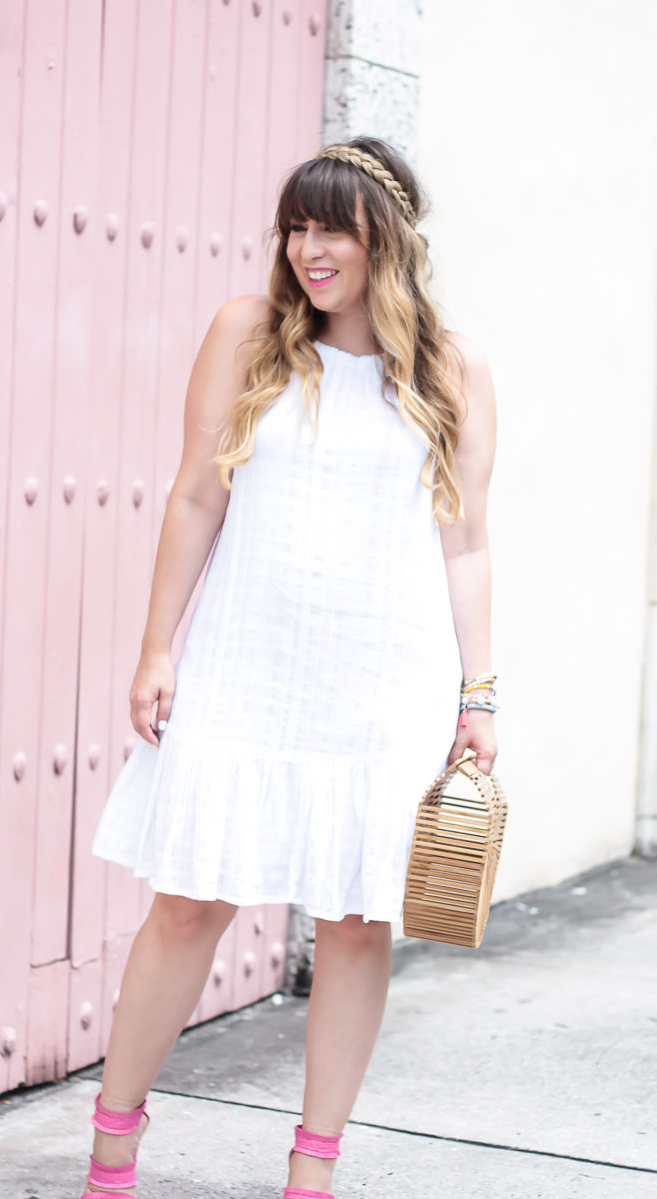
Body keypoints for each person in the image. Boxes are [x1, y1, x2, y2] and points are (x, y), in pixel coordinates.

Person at [83, 136, 497, 1199]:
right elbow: (193, 495)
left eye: (335, 230)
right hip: (244, 661)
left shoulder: (450, 370)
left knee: (356, 926)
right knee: (187, 904)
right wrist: (156, 644)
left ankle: (309, 1176)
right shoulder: (247, 334)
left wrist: (477, 695)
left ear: (385, 240)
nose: (311, 250)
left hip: (380, 685)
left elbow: (464, 542)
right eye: (297, 227)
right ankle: (112, 1149)